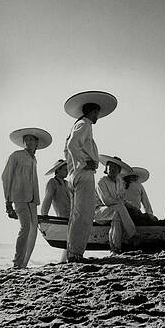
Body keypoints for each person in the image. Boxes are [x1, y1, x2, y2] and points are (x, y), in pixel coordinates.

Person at [64, 90, 117, 263]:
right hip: (83, 173)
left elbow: (69, 147)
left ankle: (73, 252)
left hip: (76, 174)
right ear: (93, 112)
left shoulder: (79, 124)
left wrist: (77, 165)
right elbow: (72, 145)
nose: (98, 117)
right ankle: (76, 253)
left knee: (77, 214)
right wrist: (82, 163)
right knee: (85, 214)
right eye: (97, 113)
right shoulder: (85, 124)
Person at [2, 127, 52, 268]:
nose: (29, 142)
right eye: (26, 140)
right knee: (25, 228)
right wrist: (8, 201)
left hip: (32, 200)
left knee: (32, 230)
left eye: (31, 140)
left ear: (37, 143)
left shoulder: (34, 159)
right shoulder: (16, 155)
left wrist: (36, 198)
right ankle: (17, 263)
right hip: (19, 197)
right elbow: (6, 177)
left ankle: (23, 263)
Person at [95, 155, 136, 252]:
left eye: (115, 168)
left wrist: (129, 205)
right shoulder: (101, 182)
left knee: (116, 216)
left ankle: (116, 248)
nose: (113, 170)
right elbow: (107, 201)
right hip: (99, 213)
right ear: (106, 168)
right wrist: (122, 203)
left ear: (119, 170)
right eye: (111, 167)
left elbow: (122, 198)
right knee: (119, 208)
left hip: (115, 211)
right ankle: (133, 234)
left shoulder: (119, 181)